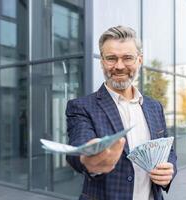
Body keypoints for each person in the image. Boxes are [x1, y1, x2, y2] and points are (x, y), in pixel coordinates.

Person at [66, 25, 177, 200]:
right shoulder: (81, 107)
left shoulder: (154, 107)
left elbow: (168, 150)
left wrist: (169, 170)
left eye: (127, 58)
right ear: (102, 61)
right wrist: (88, 157)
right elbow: (77, 146)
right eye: (111, 58)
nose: (119, 66)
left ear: (139, 60)